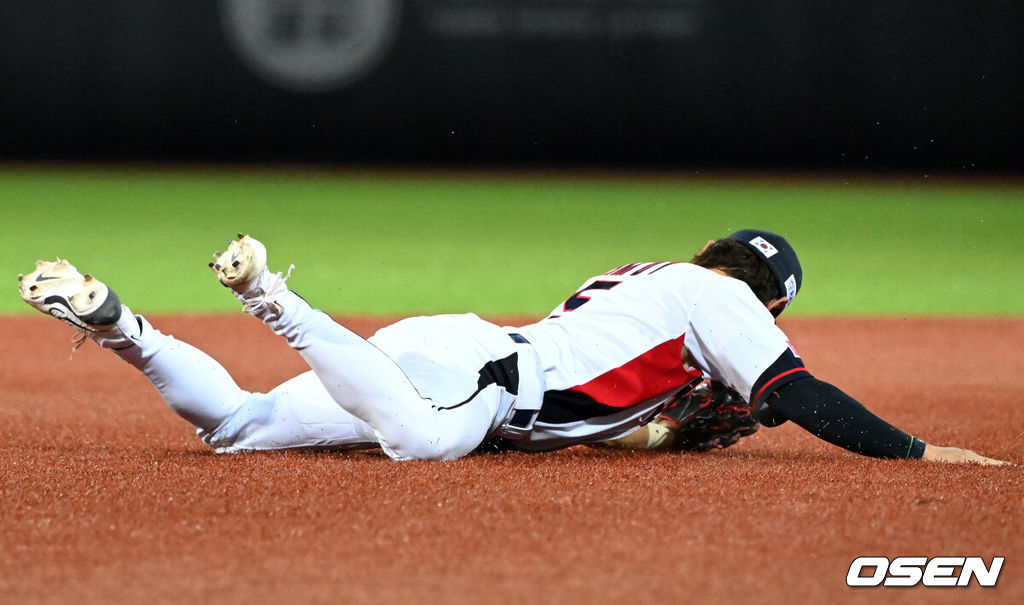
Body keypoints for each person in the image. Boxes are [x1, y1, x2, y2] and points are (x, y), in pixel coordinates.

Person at [18, 231, 1005, 465]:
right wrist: (916, 452)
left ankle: (115, 323)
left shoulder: (650, 281)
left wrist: (663, 433)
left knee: (239, 425)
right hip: (486, 377)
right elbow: (800, 389)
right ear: (772, 299)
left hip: (456, 347)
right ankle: (268, 293)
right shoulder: (725, 301)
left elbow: (616, 398)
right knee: (420, 443)